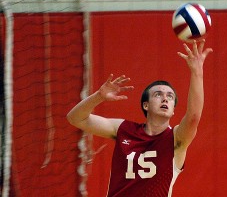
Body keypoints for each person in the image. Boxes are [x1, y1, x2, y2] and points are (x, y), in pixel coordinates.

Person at [67, 39, 213, 197]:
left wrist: (197, 72)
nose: (165, 99)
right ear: (146, 105)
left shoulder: (175, 139)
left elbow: (193, 117)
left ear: (173, 111)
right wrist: (98, 96)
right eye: (158, 94)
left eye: (170, 97)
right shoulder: (123, 129)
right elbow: (75, 118)